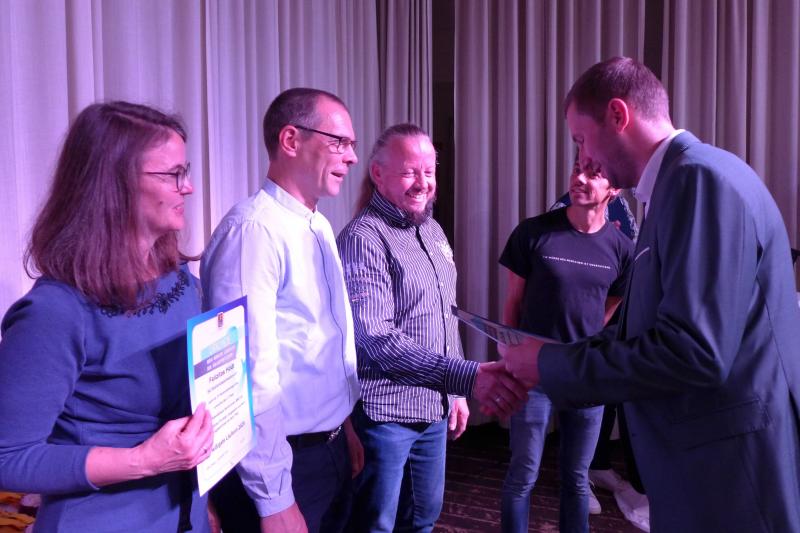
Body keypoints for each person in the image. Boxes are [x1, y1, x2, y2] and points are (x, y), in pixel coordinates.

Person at [502, 56, 800, 532]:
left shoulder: (698, 180)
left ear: (618, 115)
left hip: (728, 474)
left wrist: (549, 365)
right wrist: (548, 357)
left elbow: (694, 351)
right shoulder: (676, 185)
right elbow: (637, 325)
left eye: (581, 139)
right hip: (708, 465)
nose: (584, 160)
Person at [0, 101, 213, 532]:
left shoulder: (178, 279)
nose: (188, 187)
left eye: (185, 171)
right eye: (173, 174)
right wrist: (143, 460)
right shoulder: (56, 312)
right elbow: (8, 458)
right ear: (115, 185)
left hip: (183, 514)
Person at [336, 124, 527, 533]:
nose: (422, 183)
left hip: (434, 411)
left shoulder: (432, 229)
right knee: (375, 525)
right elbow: (375, 340)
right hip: (385, 416)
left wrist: (454, 392)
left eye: (429, 171)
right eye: (409, 172)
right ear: (377, 173)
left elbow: (444, 316)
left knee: (423, 519)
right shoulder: (363, 238)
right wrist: (467, 377)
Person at [201, 88, 362, 533]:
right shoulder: (253, 230)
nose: (351, 157)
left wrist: (343, 426)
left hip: (326, 447)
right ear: (291, 140)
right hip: (281, 465)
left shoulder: (318, 224)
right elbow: (243, 375)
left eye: (352, 145)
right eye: (339, 142)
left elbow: (323, 348)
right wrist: (274, 498)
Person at [499, 156, 634, 533]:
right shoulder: (533, 232)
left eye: (594, 173)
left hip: (584, 376)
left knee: (576, 476)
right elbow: (513, 303)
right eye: (577, 169)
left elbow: (607, 309)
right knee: (523, 472)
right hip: (532, 374)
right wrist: (511, 357)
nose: (580, 178)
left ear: (614, 189)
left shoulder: (622, 249)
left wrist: (579, 348)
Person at [551, 191, 649, 531]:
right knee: (582, 397)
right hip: (581, 317)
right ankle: (580, 475)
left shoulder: (623, 204)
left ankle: (599, 462)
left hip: (618, 312)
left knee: (612, 393)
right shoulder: (565, 207)